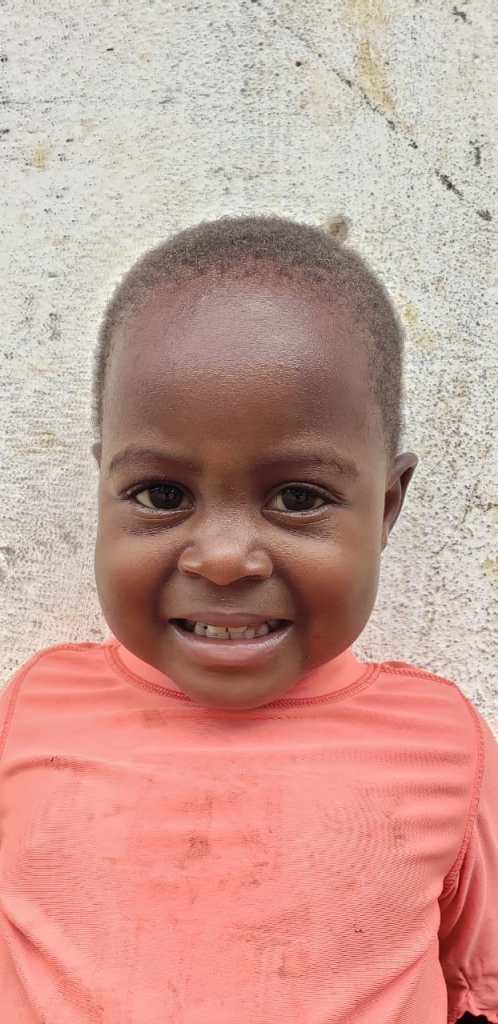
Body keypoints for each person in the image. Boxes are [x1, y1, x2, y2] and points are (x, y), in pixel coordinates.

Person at [0, 215, 496, 1023]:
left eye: (298, 498)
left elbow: (480, 986)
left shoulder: (447, 744)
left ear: (386, 506)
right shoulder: (29, 714)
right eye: (161, 494)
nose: (225, 559)